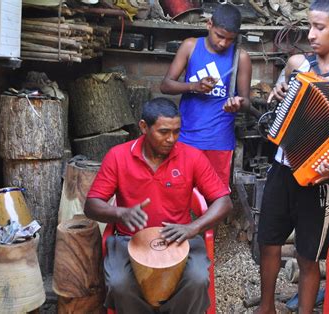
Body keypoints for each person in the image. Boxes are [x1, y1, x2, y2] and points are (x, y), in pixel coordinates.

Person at [255, 1, 329, 313]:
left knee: (309, 257)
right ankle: (266, 307)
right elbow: (278, 106)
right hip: (282, 169)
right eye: (309, 26)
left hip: (321, 182)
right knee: (268, 242)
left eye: (319, 27)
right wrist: (277, 93)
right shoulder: (298, 64)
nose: (310, 34)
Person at [84, 97, 232, 314]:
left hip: (179, 238)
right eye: (163, 132)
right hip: (130, 240)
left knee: (197, 279)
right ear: (144, 127)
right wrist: (119, 213)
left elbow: (224, 201)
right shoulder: (118, 156)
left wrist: (193, 228)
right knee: (119, 283)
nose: (171, 139)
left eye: (176, 131)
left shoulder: (191, 156)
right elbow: (91, 205)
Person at [160, 3, 252, 187]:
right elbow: (165, 85)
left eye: (230, 39)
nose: (223, 43)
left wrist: (238, 103)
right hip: (186, 138)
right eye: (219, 36)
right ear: (209, 24)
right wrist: (194, 86)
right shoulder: (191, 46)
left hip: (219, 142)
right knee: (180, 193)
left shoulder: (240, 57)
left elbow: (247, 103)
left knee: (214, 198)